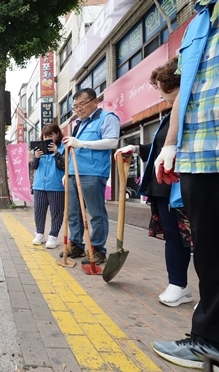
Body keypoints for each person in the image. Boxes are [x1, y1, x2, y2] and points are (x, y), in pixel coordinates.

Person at [151, 0, 219, 368]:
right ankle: (209, 340)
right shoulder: (197, 25)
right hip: (200, 156)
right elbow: (187, 93)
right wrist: (171, 144)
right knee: (209, 252)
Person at [116, 57, 193, 307]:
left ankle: (198, 292)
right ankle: (179, 284)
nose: (158, 92)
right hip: (164, 186)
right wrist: (136, 147)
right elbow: (158, 148)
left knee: (199, 240)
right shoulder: (170, 114)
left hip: (184, 184)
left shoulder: (190, 108)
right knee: (174, 237)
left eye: (160, 86)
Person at [59, 88, 120, 265]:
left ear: (95, 101)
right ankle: (76, 245)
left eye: (82, 104)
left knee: (95, 213)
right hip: (74, 173)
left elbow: (112, 141)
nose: (78, 109)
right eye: (75, 106)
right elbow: (72, 151)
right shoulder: (79, 124)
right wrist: (67, 173)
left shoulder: (107, 118)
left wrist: (82, 143)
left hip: (93, 174)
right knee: (73, 213)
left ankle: (97, 249)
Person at [30, 123, 66, 249]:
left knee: (57, 212)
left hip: (56, 186)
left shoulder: (63, 148)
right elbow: (33, 167)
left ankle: (53, 236)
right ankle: (39, 234)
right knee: (39, 211)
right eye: (45, 136)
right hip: (39, 185)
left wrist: (56, 152)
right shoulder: (38, 149)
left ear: (57, 134)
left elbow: (64, 166)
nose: (47, 139)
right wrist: (36, 158)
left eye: (50, 135)